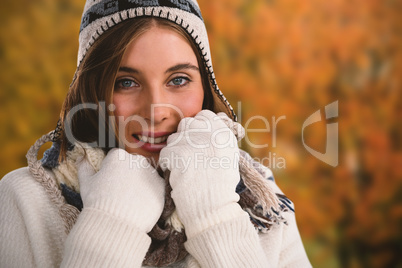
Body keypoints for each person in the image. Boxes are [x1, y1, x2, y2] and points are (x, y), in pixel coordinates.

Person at [0, 0, 311, 267]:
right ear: (92, 92)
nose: (156, 111)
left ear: (206, 87)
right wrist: (112, 223)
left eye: (178, 79)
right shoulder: (28, 199)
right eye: (126, 82)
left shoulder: (262, 198)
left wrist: (216, 214)